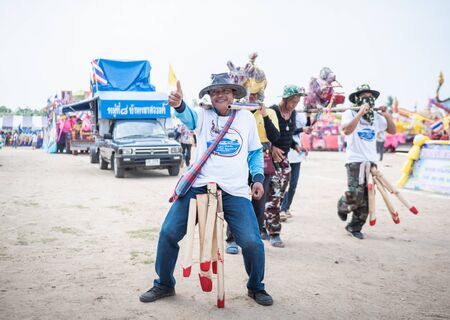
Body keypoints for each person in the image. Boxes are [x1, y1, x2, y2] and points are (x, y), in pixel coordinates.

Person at [139, 73, 273, 306]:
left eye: (225, 90)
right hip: (199, 186)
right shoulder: (203, 115)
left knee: (252, 242)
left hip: (235, 190)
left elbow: (254, 152)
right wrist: (179, 104)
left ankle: (256, 287)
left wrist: (258, 179)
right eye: (215, 91)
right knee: (168, 232)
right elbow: (188, 117)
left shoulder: (246, 119)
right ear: (210, 97)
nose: (220, 94)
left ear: (233, 94)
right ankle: (164, 284)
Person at [337, 84, 396, 239]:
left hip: (371, 162)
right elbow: (347, 130)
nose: (368, 99)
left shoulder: (376, 117)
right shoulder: (349, 113)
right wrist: (360, 113)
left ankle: (354, 227)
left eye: (370, 96)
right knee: (355, 194)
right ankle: (343, 204)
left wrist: (387, 115)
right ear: (357, 99)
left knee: (367, 198)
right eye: (364, 96)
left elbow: (393, 130)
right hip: (355, 161)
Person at [225, 90, 280, 254]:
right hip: (239, 160)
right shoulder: (236, 113)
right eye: (250, 93)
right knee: (235, 199)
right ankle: (231, 239)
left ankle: (252, 239)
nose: (252, 97)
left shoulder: (269, 112)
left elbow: (275, 137)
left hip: (262, 158)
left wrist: (264, 115)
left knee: (259, 203)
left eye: (256, 94)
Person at [265, 85, 306, 247]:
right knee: (273, 197)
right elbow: (261, 133)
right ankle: (274, 232)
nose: (295, 104)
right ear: (285, 99)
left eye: (297, 102)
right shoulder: (272, 111)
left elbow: (289, 132)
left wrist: (294, 145)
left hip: (284, 161)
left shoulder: (293, 112)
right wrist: (271, 147)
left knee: (279, 197)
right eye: (293, 101)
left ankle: (265, 225)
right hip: (270, 160)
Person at [279, 112, 312, 221]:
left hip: (297, 155)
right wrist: (302, 129)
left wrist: (308, 115)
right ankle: (281, 209)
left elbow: (308, 127)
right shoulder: (282, 115)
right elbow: (288, 131)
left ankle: (286, 207)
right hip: (285, 153)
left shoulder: (300, 115)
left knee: (293, 185)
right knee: (283, 184)